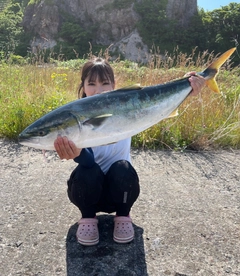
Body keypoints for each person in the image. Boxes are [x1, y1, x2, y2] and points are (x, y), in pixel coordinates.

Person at [54, 57, 205, 246]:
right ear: (83, 86)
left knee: (122, 168)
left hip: (121, 192)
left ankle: (123, 216)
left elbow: (156, 98)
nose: (98, 90)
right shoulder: (77, 117)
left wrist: (187, 84)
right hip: (90, 193)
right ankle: (88, 217)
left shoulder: (126, 105)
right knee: (86, 172)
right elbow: (89, 162)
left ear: (114, 85)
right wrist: (77, 154)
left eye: (105, 83)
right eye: (91, 83)